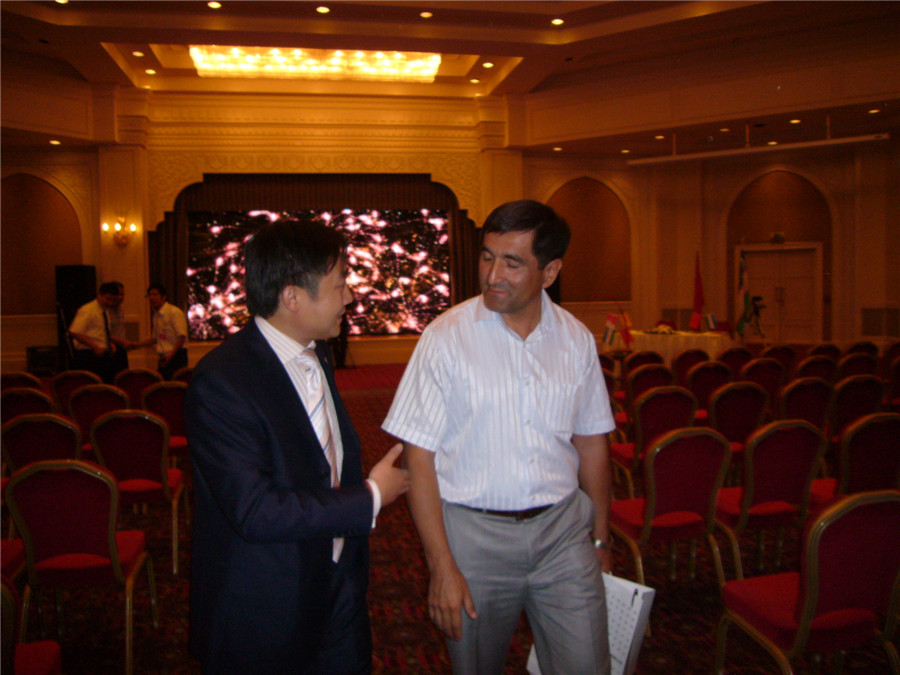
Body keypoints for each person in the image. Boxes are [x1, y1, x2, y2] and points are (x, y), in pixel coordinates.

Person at [382, 200, 615, 674]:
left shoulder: (576, 339)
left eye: (512, 263)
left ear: (550, 272)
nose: (493, 276)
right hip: (473, 539)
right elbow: (418, 456)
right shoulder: (446, 337)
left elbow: (592, 442)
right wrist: (441, 565)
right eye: (487, 257)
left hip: (563, 535)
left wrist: (601, 540)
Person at [185, 218, 410, 674]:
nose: (351, 297)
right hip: (266, 605)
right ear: (292, 297)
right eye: (339, 285)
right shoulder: (222, 381)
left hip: (339, 589)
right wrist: (371, 496)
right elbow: (255, 510)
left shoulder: (316, 351)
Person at [67, 281, 122, 383]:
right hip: (88, 356)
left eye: (113, 300)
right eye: (107, 299)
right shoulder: (88, 310)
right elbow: (75, 332)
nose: (110, 303)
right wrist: (94, 346)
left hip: (102, 355)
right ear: (99, 295)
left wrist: (109, 344)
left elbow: (99, 333)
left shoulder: (104, 311)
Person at [134, 283, 189, 379]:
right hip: (164, 356)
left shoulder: (174, 312)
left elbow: (182, 336)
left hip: (176, 356)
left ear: (163, 297)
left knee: (175, 384)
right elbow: (155, 338)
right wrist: (136, 345)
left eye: (155, 295)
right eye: (149, 295)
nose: (151, 298)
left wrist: (171, 355)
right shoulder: (156, 315)